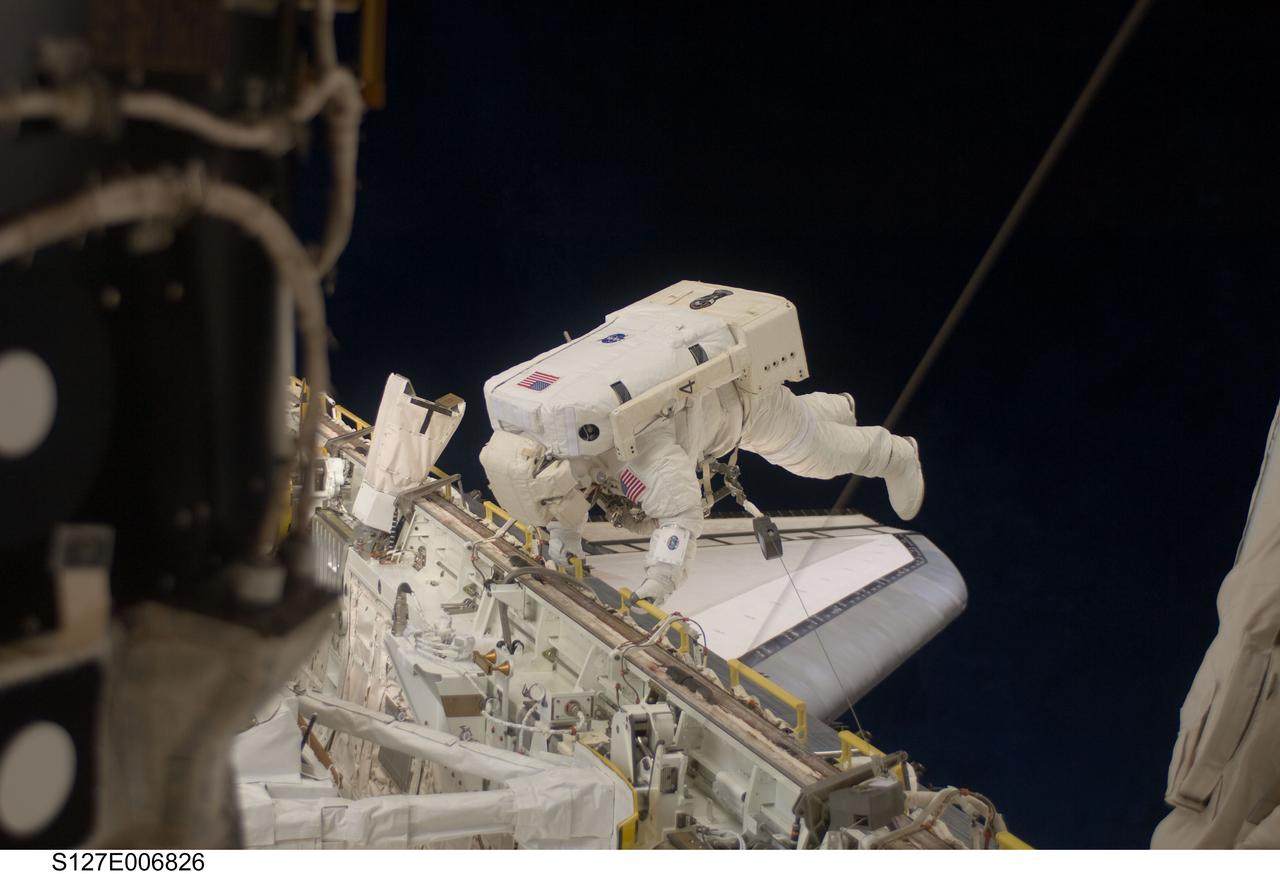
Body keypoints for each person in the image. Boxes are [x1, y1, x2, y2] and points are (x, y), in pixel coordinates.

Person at [479, 284, 924, 606]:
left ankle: (895, 454)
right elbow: (563, 506)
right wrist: (563, 547)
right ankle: (839, 407)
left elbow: (680, 513)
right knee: (805, 425)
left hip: (744, 404)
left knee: (812, 455)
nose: (558, 505)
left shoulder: (636, 454)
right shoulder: (551, 436)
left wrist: (657, 585)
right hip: (703, 388)